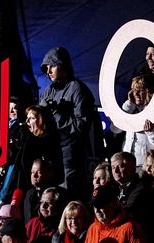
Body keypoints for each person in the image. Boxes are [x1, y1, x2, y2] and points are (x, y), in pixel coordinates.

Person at [39, 47, 99, 201]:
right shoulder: (47, 92)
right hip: (50, 156)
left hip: (71, 158)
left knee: (67, 198)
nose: (48, 71)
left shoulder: (78, 89)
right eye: (45, 68)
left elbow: (81, 126)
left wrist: (56, 114)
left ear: (62, 65)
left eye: (51, 66)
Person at [110, 74, 154, 170]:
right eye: (134, 90)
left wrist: (152, 132)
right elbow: (115, 129)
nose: (136, 93)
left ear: (149, 91)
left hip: (147, 167)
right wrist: (129, 106)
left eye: (140, 90)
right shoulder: (130, 108)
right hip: (126, 164)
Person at [110, 151, 154, 241]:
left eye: (120, 166)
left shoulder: (141, 187)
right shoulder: (112, 187)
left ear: (132, 168)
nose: (115, 171)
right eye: (113, 167)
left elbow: (127, 211)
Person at [23, 158, 65, 223]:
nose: (34, 175)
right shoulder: (29, 193)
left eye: (39, 172)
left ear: (49, 174)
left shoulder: (58, 193)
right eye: (32, 172)